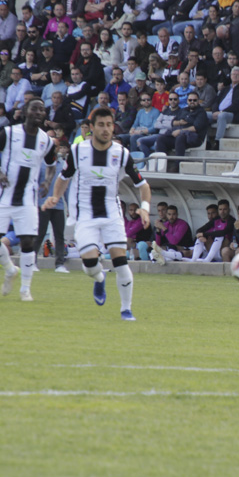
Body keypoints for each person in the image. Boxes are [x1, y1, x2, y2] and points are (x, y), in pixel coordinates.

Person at [45, 107, 150, 320]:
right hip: (85, 215)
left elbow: (143, 184)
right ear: (91, 128)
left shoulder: (121, 154)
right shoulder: (77, 151)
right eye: (101, 125)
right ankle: (99, 278)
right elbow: (64, 178)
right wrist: (56, 197)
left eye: (109, 125)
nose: (106, 129)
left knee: (121, 262)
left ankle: (126, 310)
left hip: (112, 214)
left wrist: (145, 208)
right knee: (90, 265)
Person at [0, 98, 58, 302]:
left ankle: (25, 289)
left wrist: (48, 181)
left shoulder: (47, 141)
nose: (39, 112)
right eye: (35, 109)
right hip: (3, 195)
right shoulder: (8, 133)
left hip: (27, 199)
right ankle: (9, 269)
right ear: (25, 111)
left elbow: (51, 165)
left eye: (42, 110)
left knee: (27, 241)